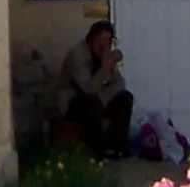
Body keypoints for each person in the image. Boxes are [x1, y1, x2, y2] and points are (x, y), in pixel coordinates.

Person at [54, 18, 133, 157]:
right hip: (73, 102)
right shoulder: (77, 55)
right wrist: (104, 69)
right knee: (91, 102)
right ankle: (97, 151)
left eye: (108, 41)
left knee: (125, 98)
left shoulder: (105, 55)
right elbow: (87, 87)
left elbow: (120, 84)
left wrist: (110, 67)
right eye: (100, 40)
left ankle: (116, 147)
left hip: (99, 99)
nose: (104, 45)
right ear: (91, 40)